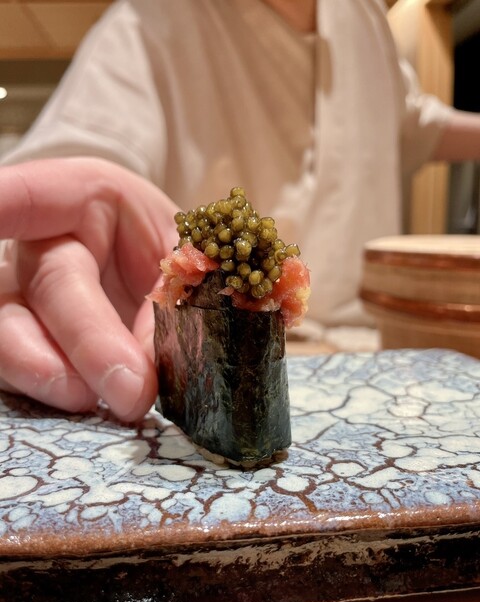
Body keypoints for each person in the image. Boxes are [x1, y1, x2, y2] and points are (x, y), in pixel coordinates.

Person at [0, 0, 479, 421]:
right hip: (214, 366)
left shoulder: (367, 14)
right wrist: (50, 242)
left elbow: (411, 120)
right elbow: (83, 151)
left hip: (385, 361)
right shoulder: (146, 22)